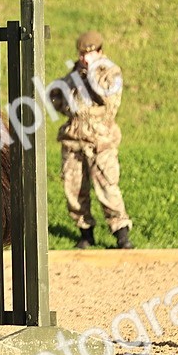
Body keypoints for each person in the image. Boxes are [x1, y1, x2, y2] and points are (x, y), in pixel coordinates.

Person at [48, 31, 133, 250]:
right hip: (74, 140)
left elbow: (108, 100)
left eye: (89, 54)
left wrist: (92, 74)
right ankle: (85, 234)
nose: (84, 58)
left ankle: (121, 235)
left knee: (107, 186)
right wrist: (63, 102)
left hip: (100, 141)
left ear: (100, 51)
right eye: (81, 54)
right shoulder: (75, 73)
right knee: (74, 190)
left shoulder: (110, 72)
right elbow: (57, 97)